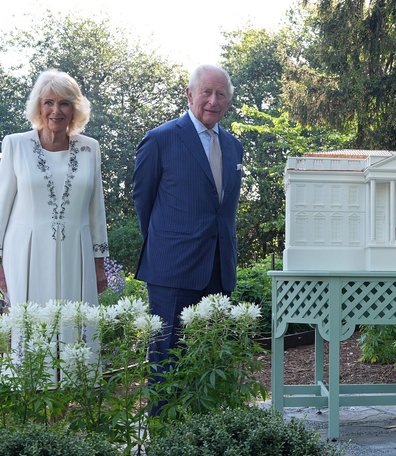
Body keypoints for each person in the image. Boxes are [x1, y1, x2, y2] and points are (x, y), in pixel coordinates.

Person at [132, 64, 244, 396]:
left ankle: (203, 437)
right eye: (206, 92)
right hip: (172, 272)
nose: (213, 100)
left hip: (219, 270)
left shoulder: (234, 146)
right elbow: (144, 202)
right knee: (167, 359)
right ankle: (165, 438)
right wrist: (166, 247)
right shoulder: (160, 139)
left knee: (210, 361)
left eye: (221, 94)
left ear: (228, 100)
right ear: (189, 94)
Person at [0, 69, 108, 354]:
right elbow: (2, 205)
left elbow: (96, 208)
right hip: (25, 253)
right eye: (49, 102)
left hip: (78, 252)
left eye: (64, 103)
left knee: (77, 323)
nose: (56, 111)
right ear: (38, 106)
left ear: (76, 109)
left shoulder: (90, 149)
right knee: (31, 323)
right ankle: (29, 388)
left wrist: (99, 263)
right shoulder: (15, 145)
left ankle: (77, 386)